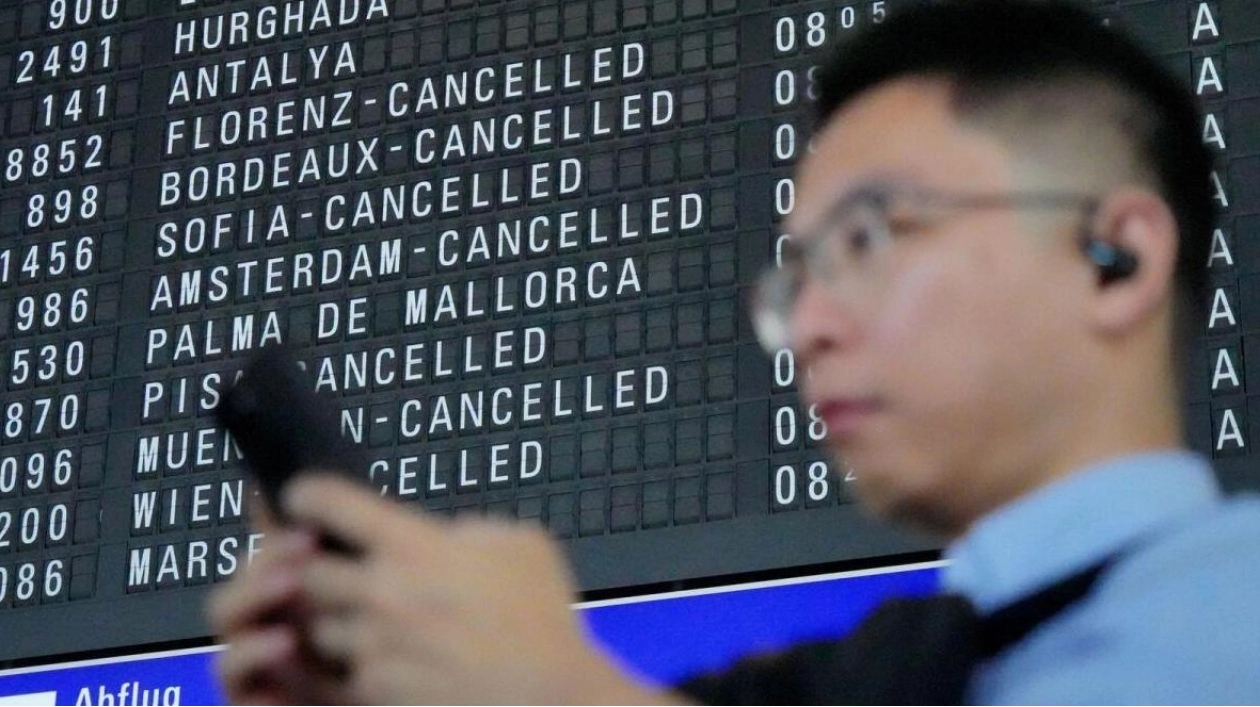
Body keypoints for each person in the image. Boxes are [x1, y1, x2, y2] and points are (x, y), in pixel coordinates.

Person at [208, 1, 1260, 704]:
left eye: (870, 238)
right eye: (794, 282)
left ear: (1115, 256)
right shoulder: (857, 677)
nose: (809, 328)